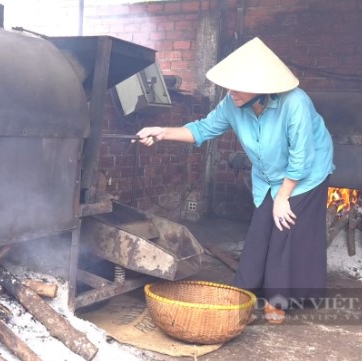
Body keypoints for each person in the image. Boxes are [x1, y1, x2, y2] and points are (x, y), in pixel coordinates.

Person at [136, 37, 335, 324]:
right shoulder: (233, 103)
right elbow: (203, 129)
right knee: (260, 228)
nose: (230, 91)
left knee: (286, 229)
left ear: (263, 86)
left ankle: (280, 300)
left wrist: (282, 198)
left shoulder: (295, 103)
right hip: (269, 174)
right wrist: (162, 131)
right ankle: (245, 291)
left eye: (238, 85)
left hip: (306, 173)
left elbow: (301, 157)